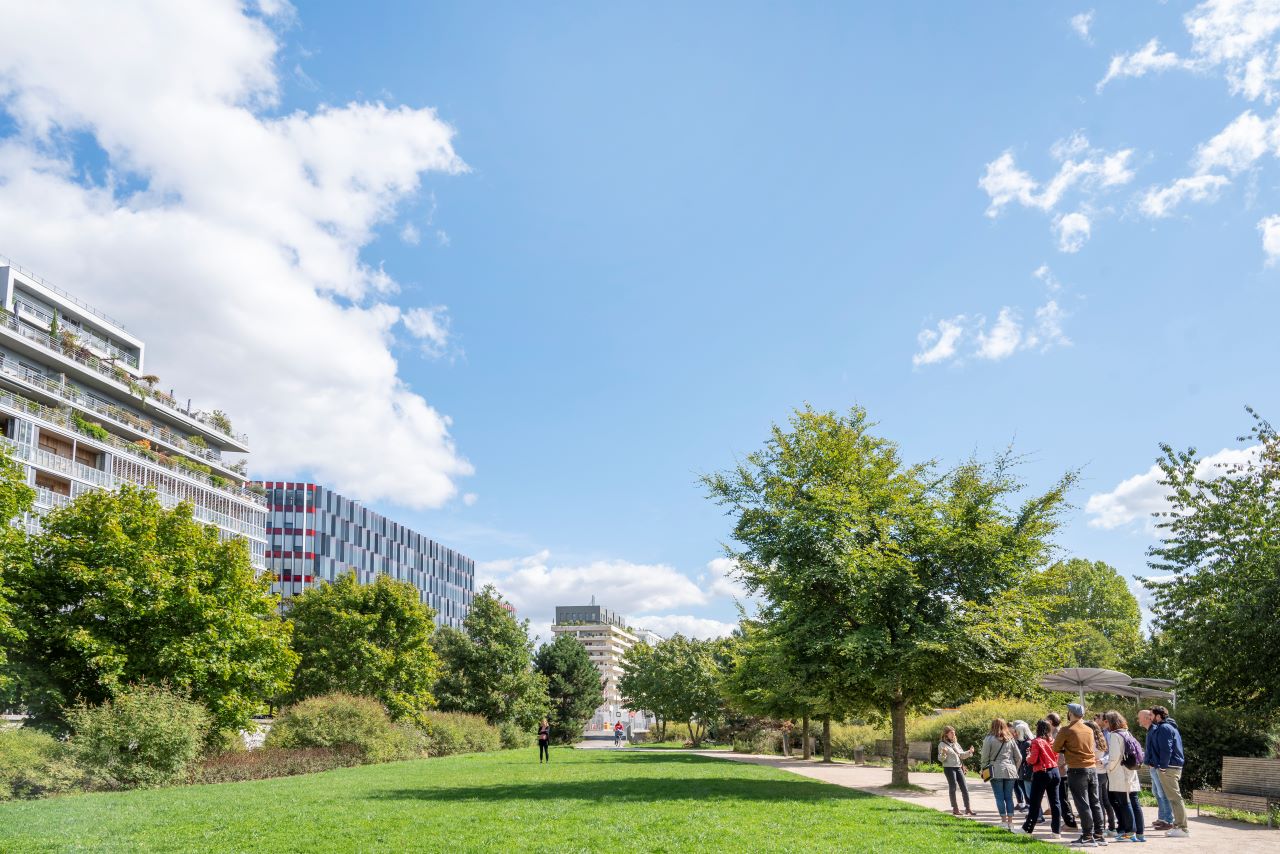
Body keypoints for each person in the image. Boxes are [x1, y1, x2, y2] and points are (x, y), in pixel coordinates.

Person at [1053, 702, 1105, 847]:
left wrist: (1067, 750)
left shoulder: (1066, 730)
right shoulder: (1089, 729)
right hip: (1092, 768)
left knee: (1082, 803)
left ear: (1070, 713)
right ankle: (1099, 834)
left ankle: (1087, 836)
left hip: (1077, 768)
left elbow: (1055, 748)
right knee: (1095, 802)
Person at [1146, 705, 1188, 838]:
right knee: (1173, 798)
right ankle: (1178, 826)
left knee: (1175, 798)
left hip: (1169, 767)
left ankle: (1182, 828)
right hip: (1170, 766)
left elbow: (1166, 748)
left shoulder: (1164, 728)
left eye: (1151, 715)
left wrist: (1163, 766)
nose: (1150, 718)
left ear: (1158, 716)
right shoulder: (1167, 727)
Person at [1103, 710, 1145, 843]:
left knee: (1124, 803)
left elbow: (1114, 757)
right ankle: (1139, 833)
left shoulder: (1115, 735)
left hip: (1120, 774)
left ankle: (1129, 833)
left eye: (1106, 721)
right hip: (1130, 772)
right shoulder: (1127, 732)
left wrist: (1107, 767)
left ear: (1110, 722)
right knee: (1134, 802)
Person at [1018, 719, 1062, 839]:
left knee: (1035, 801)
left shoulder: (1036, 741)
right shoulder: (1052, 740)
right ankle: (1056, 831)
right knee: (1055, 802)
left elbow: (1032, 759)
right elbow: (1056, 755)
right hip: (1055, 771)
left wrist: (1027, 757)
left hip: (1042, 772)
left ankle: (1027, 828)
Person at [981, 718, 1022, 831]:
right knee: (1009, 797)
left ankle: (1003, 821)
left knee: (999, 797)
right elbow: (1019, 757)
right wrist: (1015, 769)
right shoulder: (1010, 739)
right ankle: (1010, 822)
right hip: (1010, 770)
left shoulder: (989, 739)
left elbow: (985, 757)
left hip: (995, 770)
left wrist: (983, 769)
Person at [1138, 708, 1174, 830]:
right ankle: (1162, 817)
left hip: (1156, 766)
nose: (1138, 720)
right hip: (1153, 766)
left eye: (1140, 717)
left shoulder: (1155, 730)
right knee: (1157, 793)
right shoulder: (1151, 730)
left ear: (1148, 718)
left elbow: (1159, 749)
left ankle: (1168, 820)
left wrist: (1153, 762)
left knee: (1162, 793)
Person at [1046, 712, 1078, 829]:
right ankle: (1068, 821)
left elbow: (1061, 752)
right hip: (1059, 769)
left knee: (1062, 797)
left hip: (1061, 770)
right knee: (1060, 797)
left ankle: (1070, 822)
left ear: (1050, 721)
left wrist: (1058, 764)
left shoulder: (1059, 733)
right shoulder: (1055, 732)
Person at [938, 726, 975, 816]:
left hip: (958, 767)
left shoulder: (955, 743)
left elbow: (961, 755)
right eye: (951, 733)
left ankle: (968, 808)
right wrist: (944, 753)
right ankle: (955, 808)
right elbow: (941, 759)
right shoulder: (942, 745)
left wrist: (969, 752)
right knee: (953, 787)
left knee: (964, 788)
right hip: (949, 768)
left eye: (954, 733)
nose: (953, 734)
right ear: (946, 734)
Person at [1086, 720, 1115, 834]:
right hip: (1103, 773)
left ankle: (1100, 827)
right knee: (1106, 801)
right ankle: (1111, 826)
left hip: (1095, 773)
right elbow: (1108, 755)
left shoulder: (1091, 741)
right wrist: (1102, 760)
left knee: (1098, 802)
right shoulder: (1102, 739)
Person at [1011, 720, 1033, 812]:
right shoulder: (1021, 742)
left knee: (1026, 788)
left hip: (1026, 769)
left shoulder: (1027, 743)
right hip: (1022, 769)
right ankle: (1028, 804)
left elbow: (1022, 757)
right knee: (1022, 785)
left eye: (1016, 732)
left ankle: (1029, 804)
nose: (1015, 733)